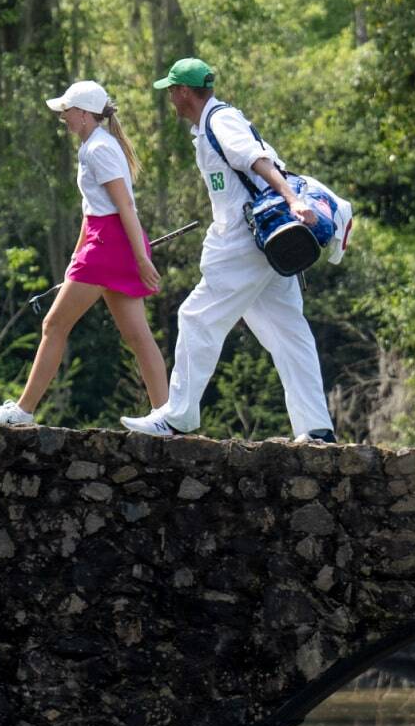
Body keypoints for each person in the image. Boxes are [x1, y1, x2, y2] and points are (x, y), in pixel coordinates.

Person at [119, 57, 348, 444]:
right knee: (287, 331)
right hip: (260, 243)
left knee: (196, 317)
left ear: (184, 92)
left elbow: (258, 161)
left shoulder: (220, 121)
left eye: (172, 91)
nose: (171, 99)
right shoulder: (215, 120)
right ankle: (316, 428)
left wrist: (292, 199)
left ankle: (177, 417)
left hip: (246, 241)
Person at [0, 80, 168, 427]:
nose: (63, 117)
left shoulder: (99, 149)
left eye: (67, 111)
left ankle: (22, 411)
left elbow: (124, 205)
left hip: (110, 243)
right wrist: (75, 258)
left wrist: (140, 258)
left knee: (54, 324)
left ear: (83, 114)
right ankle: (166, 417)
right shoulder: (95, 146)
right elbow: (91, 209)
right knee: (137, 336)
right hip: (107, 241)